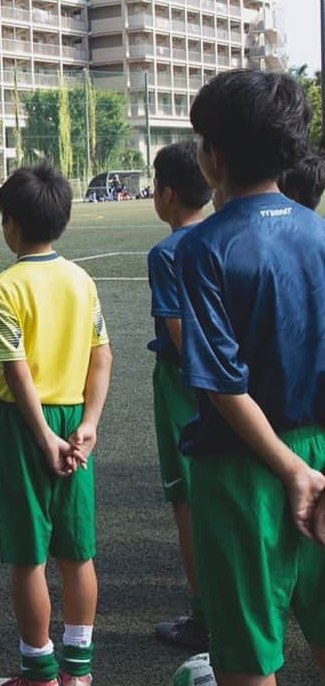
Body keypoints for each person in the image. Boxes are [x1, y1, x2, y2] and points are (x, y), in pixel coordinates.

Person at [177, 68, 325, 686]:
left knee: (246, 657)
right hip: (320, 454)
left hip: (244, 468)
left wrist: (289, 470)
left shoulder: (203, 246)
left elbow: (221, 383)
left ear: (212, 154)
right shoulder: (319, 233)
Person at [0, 164, 112, 686]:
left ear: (11, 223)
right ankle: (78, 674)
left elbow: (17, 374)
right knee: (77, 551)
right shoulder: (81, 279)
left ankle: (39, 672)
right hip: (75, 421)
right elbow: (103, 357)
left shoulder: (2, 287)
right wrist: (89, 425)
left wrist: (43, 437)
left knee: (29, 554)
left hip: (24, 426)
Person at [145, 141, 213, 651]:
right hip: (237, 380)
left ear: (166, 194)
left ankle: (204, 614)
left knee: (187, 499)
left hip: (185, 385)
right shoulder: (224, 234)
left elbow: (176, 330)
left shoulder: (167, 252)